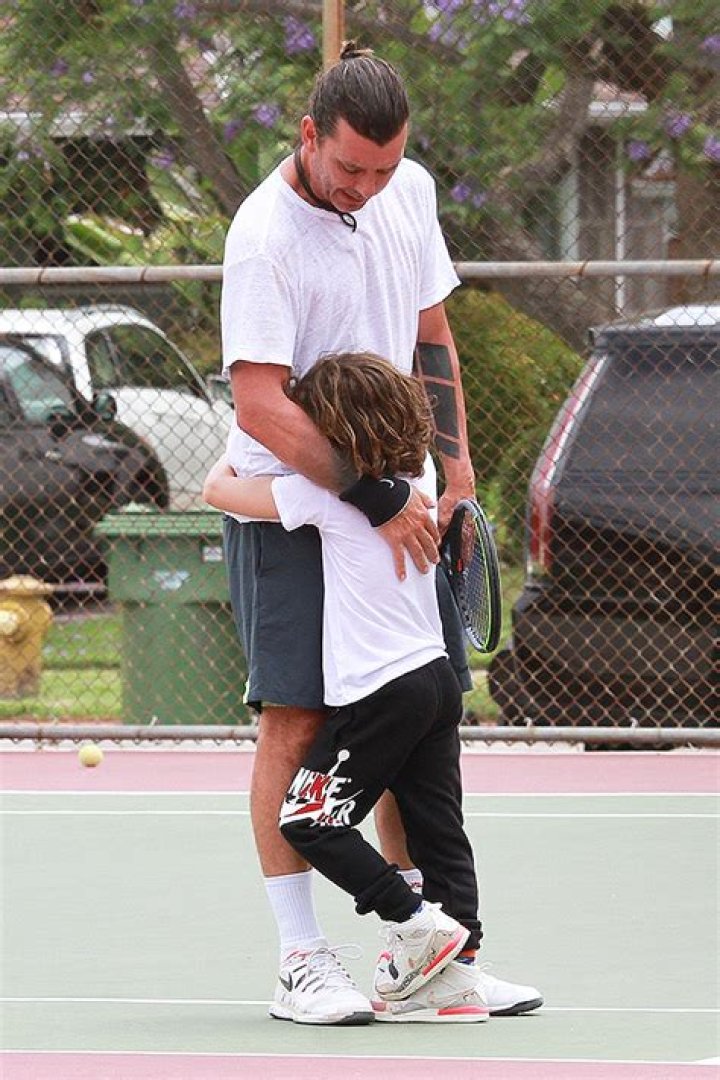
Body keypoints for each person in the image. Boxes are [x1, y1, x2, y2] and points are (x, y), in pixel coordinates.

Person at [219, 41, 542, 1024]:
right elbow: (260, 401)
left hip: (405, 501)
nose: (367, 187)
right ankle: (301, 958)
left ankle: (430, 955)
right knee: (301, 722)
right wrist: (368, 495)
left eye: (385, 167)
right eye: (350, 167)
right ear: (310, 137)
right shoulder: (264, 236)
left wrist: (455, 473)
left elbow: (431, 333)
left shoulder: (407, 194)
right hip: (297, 501)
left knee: (419, 727)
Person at [205, 351, 494, 1024]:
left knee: (307, 819)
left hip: (380, 691)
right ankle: (457, 978)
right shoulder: (419, 477)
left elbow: (221, 491)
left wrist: (238, 451)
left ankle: (415, 920)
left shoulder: (326, 494)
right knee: (438, 827)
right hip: (434, 683)